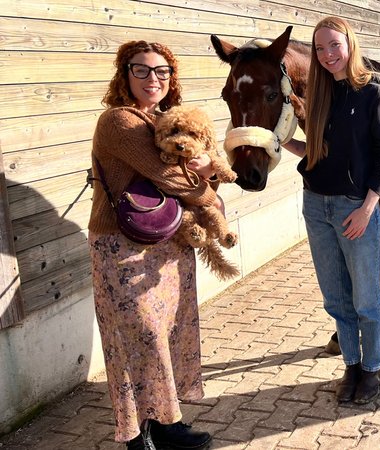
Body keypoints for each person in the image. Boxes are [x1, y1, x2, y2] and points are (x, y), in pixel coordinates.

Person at [89, 41, 219, 449]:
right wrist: (210, 192)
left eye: (162, 71)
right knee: (137, 336)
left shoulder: (163, 120)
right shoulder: (119, 122)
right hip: (121, 245)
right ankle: (137, 435)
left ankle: (166, 423)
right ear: (124, 74)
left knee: (166, 333)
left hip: (166, 239)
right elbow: (171, 179)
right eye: (141, 70)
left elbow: (191, 171)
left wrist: (208, 172)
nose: (153, 79)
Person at [282, 16, 380, 404]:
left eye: (334, 45)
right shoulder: (320, 97)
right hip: (315, 206)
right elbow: (316, 153)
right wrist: (280, 143)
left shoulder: (375, 94)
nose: (328, 54)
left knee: (366, 299)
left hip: (356, 209)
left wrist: (369, 209)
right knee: (336, 297)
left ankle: (372, 370)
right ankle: (351, 365)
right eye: (320, 48)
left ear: (350, 45)